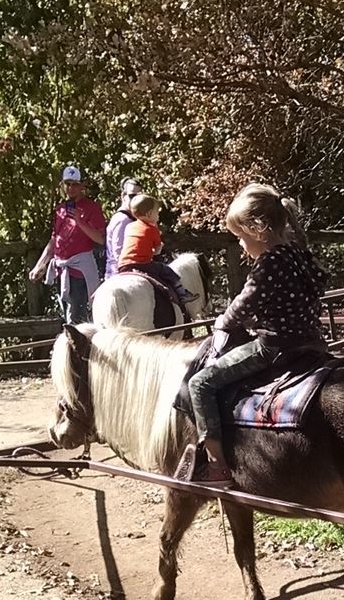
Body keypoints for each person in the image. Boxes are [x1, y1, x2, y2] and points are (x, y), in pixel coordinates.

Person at [176, 183, 327, 488]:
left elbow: (242, 305)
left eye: (241, 237)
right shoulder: (299, 255)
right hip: (312, 340)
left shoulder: (269, 263)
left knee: (200, 383)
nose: (242, 246)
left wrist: (223, 321)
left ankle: (217, 465)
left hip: (274, 346)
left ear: (257, 230)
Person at [29, 165, 106, 324]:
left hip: (79, 272)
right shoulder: (60, 210)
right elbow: (54, 240)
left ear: (82, 185)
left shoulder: (92, 208)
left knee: (76, 321)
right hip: (61, 270)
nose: (71, 188)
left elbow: (100, 239)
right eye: (68, 184)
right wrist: (39, 265)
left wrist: (80, 221)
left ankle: (80, 348)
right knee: (66, 316)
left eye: (75, 184)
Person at [117, 193, 198, 310]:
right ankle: (182, 293)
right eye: (157, 212)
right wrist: (156, 251)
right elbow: (157, 250)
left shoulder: (130, 226)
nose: (158, 214)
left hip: (123, 265)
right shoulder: (152, 229)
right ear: (149, 214)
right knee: (166, 270)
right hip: (142, 264)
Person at [104, 176, 142, 278]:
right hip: (119, 275)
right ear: (123, 196)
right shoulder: (123, 219)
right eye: (132, 196)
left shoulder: (131, 218)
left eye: (139, 196)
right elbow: (119, 253)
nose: (135, 200)